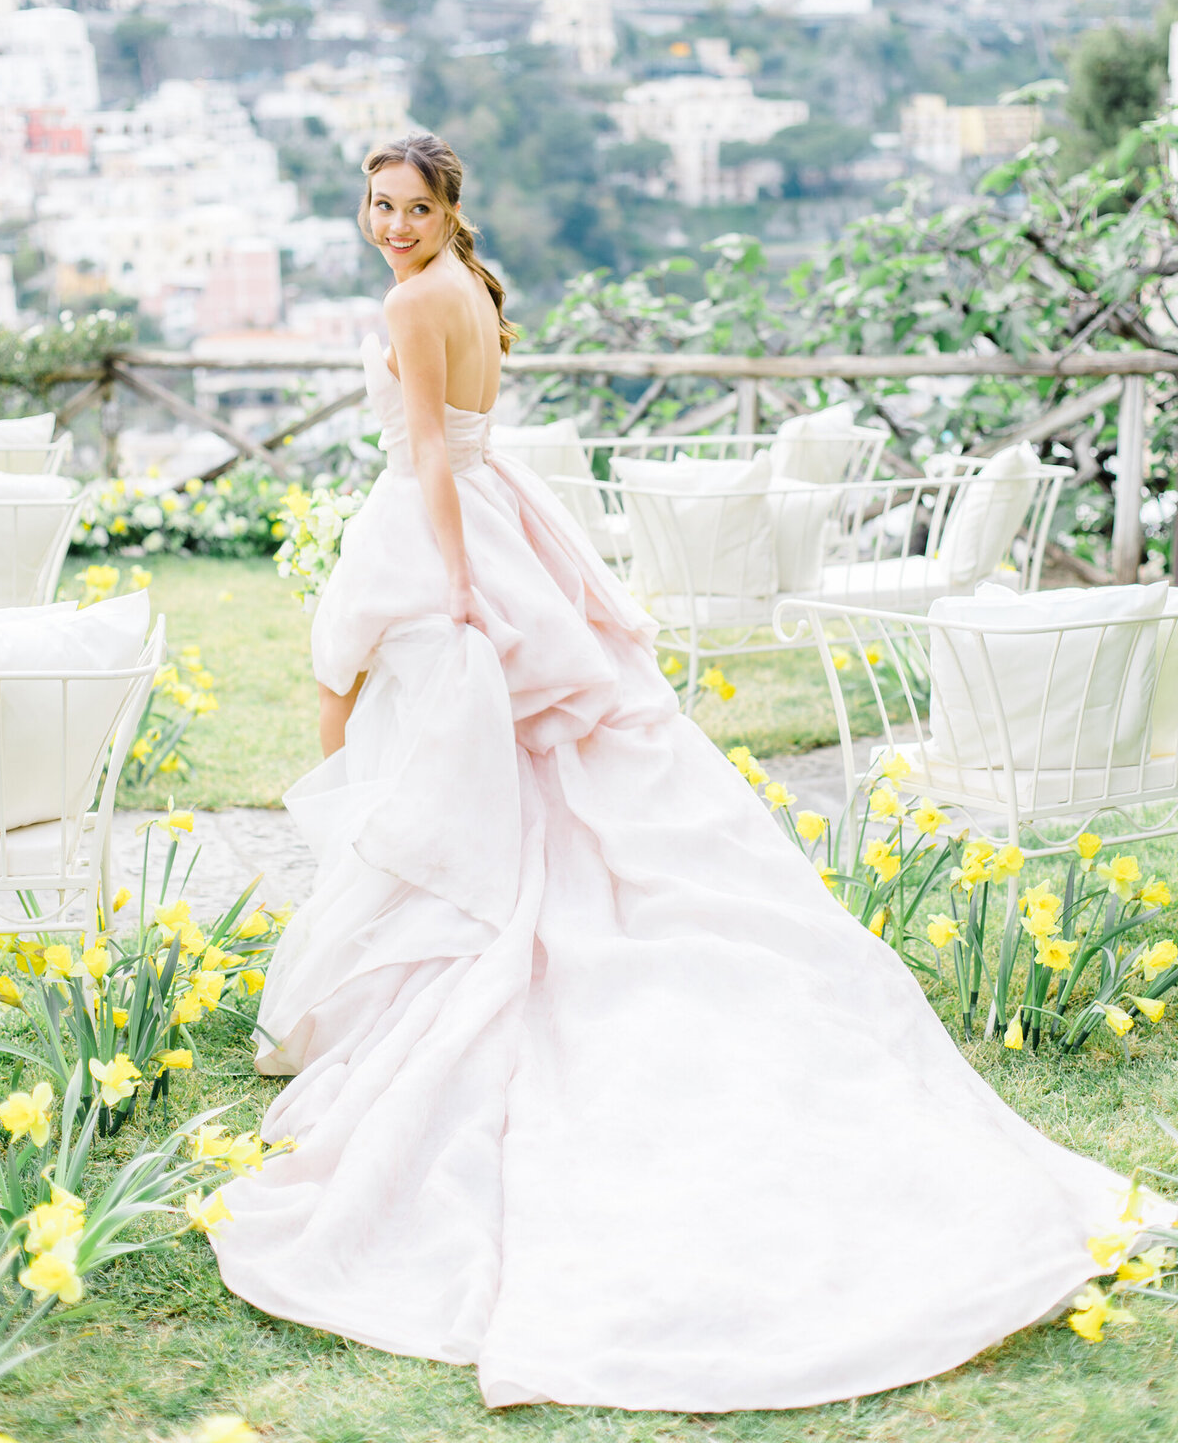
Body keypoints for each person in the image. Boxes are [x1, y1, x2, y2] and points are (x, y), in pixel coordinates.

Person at [213, 131, 1163, 1412]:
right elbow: (466, 441)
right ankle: (453, 940)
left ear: (451, 210)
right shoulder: (471, 292)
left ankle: (465, 949)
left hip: (452, 532)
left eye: (413, 207)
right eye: (378, 206)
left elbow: (433, 457)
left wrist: (451, 590)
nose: (391, 225)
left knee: (415, 743)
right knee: (464, 751)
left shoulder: (413, 298)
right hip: (494, 516)